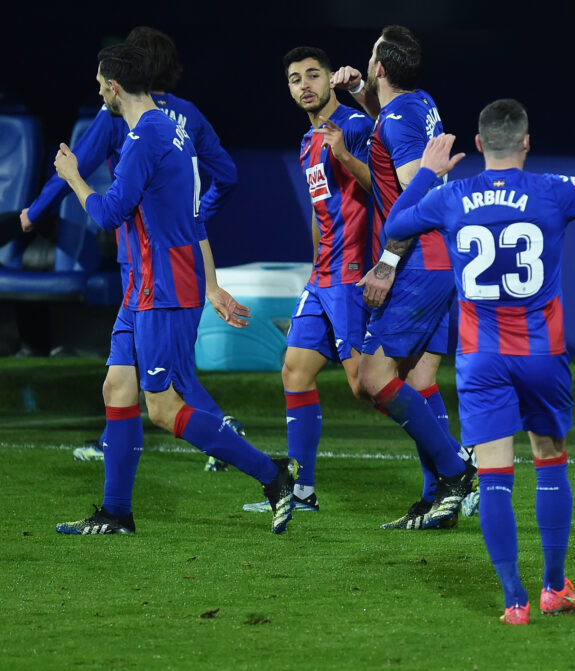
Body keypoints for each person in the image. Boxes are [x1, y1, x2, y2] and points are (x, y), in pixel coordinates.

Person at [382, 101, 575, 623]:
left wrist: (430, 172)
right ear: (527, 142)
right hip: (541, 355)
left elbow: (395, 223)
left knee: (496, 475)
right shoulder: (553, 189)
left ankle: (513, 600)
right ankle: (553, 586)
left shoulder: (451, 196)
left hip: (481, 359)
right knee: (550, 462)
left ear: (478, 146)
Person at [53, 43, 296, 535]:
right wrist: (210, 284)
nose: (99, 94)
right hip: (147, 283)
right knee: (116, 387)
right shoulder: (170, 127)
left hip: (162, 287)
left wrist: (75, 178)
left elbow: (107, 213)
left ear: (115, 87)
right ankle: (116, 513)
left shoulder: (145, 139)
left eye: (101, 86)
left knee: (163, 408)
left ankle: (274, 476)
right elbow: (189, 218)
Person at [19, 26, 242, 469]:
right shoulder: (188, 117)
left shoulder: (123, 118)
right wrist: (190, 219)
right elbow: (227, 176)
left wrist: (34, 211)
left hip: (141, 261)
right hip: (183, 254)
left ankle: (228, 439)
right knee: (136, 368)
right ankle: (121, 453)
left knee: (160, 372)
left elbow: (78, 170)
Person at [334, 25, 475, 529]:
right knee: (418, 380)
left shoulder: (398, 120)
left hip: (419, 262)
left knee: (373, 379)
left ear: (380, 67)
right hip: (443, 261)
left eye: (371, 54)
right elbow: (392, 135)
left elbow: (420, 191)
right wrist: (358, 95)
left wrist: (389, 263)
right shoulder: (416, 104)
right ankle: (436, 497)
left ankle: (458, 471)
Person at [239, 47, 374, 515]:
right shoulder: (306, 140)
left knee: (366, 385)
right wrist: (312, 265)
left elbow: (389, 185)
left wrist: (344, 154)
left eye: (313, 75)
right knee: (294, 371)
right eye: (295, 79)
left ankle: (453, 462)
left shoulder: (356, 127)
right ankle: (301, 489)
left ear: (330, 79)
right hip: (322, 275)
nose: (304, 86)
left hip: (353, 273)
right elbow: (322, 211)